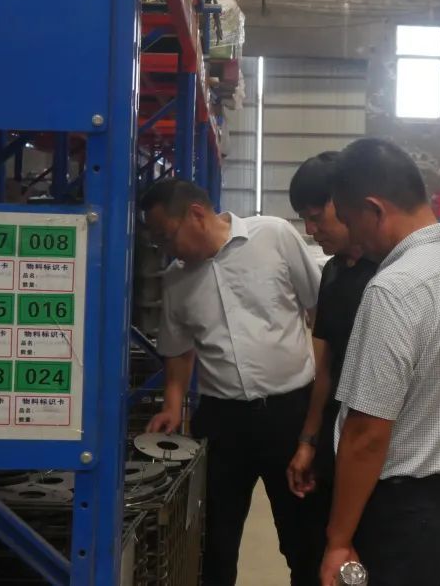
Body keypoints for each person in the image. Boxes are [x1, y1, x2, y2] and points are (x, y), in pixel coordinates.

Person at [319, 138, 440, 586]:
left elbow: (367, 434)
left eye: (350, 221)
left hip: (405, 518)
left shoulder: (394, 289)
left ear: (374, 209)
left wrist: (338, 540)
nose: (353, 239)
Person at [140, 179, 323, 586]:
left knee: (303, 537)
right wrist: (172, 404)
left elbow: (318, 311)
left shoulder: (273, 236)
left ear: (196, 214)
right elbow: (179, 351)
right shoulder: (177, 280)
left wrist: (319, 408)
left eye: (167, 236)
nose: (166, 249)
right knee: (215, 543)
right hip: (222, 423)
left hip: (289, 415)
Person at [285, 153, 379, 523]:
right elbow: (326, 364)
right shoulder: (334, 272)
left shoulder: (391, 274)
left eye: (315, 216)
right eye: (304, 219)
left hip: (379, 441)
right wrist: (308, 441)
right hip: (335, 430)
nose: (311, 230)